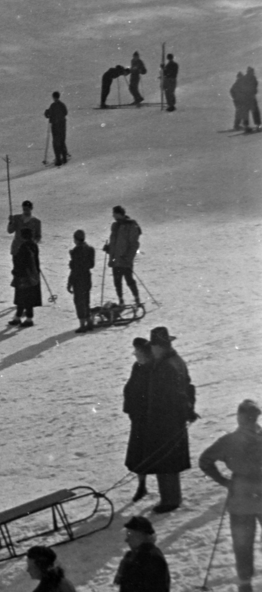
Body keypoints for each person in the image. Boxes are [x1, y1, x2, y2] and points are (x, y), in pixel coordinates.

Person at [198, 398, 262, 592]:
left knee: (242, 543)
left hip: (240, 497)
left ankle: (245, 584)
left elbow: (205, 460)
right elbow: (205, 461)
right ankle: (244, 583)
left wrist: (224, 481)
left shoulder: (229, 441)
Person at [139, 326, 196, 512]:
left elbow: (174, 394)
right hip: (172, 419)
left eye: (154, 346)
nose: (152, 350)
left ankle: (170, 500)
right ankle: (171, 497)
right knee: (168, 460)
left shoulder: (166, 366)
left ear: (160, 347)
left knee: (166, 461)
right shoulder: (174, 361)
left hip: (165, 420)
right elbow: (188, 387)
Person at [122, 337, 154, 503]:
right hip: (137, 417)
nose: (135, 355)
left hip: (149, 418)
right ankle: (142, 484)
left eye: (138, 352)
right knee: (138, 454)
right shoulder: (138, 366)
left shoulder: (153, 368)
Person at [104, 205, 141, 307]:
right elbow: (114, 242)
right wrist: (109, 248)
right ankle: (121, 300)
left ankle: (136, 298)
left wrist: (128, 258)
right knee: (117, 282)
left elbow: (134, 245)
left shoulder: (131, 226)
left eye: (114, 214)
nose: (113, 216)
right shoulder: (115, 226)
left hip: (125, 260)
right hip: (116, 260)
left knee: (129, 280)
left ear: (119, 214)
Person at [11, 230, 41, 328]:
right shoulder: (34, 245)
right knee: (28, 297)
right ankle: (18, 317)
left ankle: (27, 318)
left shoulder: (23, 247)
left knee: (22, 297)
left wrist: (15, 271)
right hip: (33, 275)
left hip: (23, 276)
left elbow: (20, 262)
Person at [67, 229, 94, 332]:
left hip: (78, 279)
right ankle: (89, 322)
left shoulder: (76, 251)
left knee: (78, 302)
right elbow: (91, 265)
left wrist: (69, 283)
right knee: (86, 301)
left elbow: (74, 269)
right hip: (87, 278)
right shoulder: (90, 249)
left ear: (76, 239)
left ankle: (82, 325)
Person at [44, 92, 68, 165]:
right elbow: (65, 112)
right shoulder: (62, 105)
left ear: (54, 97)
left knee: (56, 143)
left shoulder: (53, 106)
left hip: (55, 126)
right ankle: (64, 157)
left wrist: (47, 112)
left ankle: (58, 159)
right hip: (62, 125)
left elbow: (48, 115)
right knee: (62, 141)